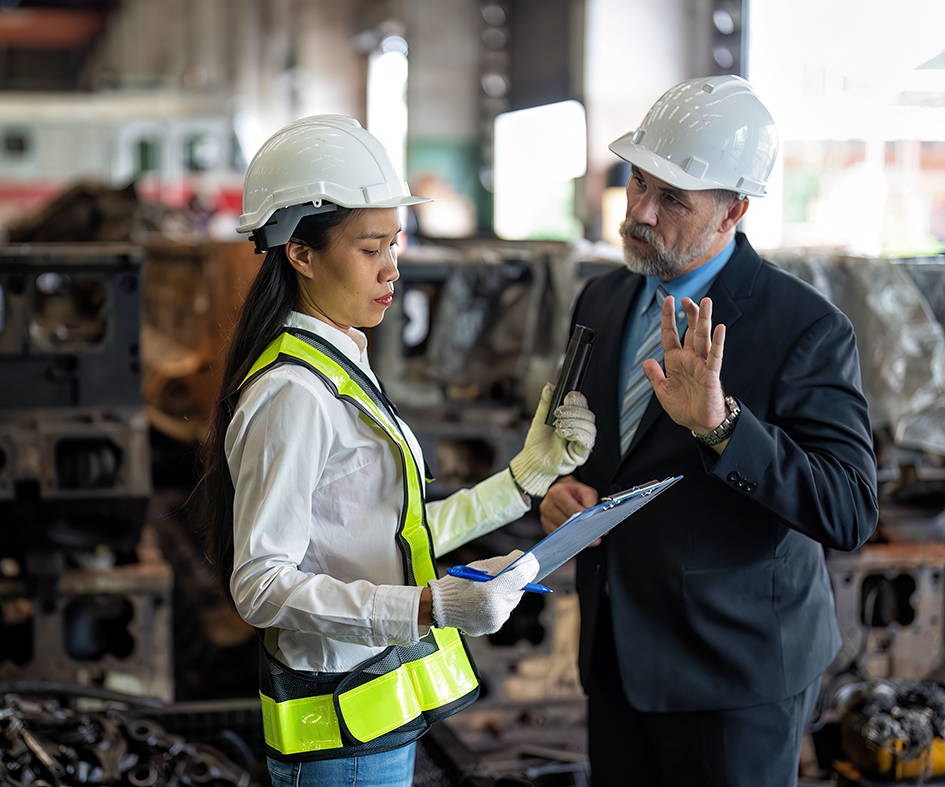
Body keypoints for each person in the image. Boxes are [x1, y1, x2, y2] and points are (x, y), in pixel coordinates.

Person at [194, 114, 597, 787]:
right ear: (300, 252)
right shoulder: (293, 392)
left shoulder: (340, 359)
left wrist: (525, 480)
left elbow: (385, 530)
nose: (392, 267)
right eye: (369, 247)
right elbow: (260, 585)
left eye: (395, 242)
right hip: (340, 746)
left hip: (372, 727)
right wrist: (427, 606)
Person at [538, 76, 879, 786]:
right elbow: (583, 446)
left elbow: (847, 508)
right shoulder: (602, 297)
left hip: (734, 675)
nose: (639, 211)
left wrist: (721, 426)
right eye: (636, 183)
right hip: (615, 657)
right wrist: (558, 492)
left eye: (671, 199)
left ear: (734, 211)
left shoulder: (803, 328)